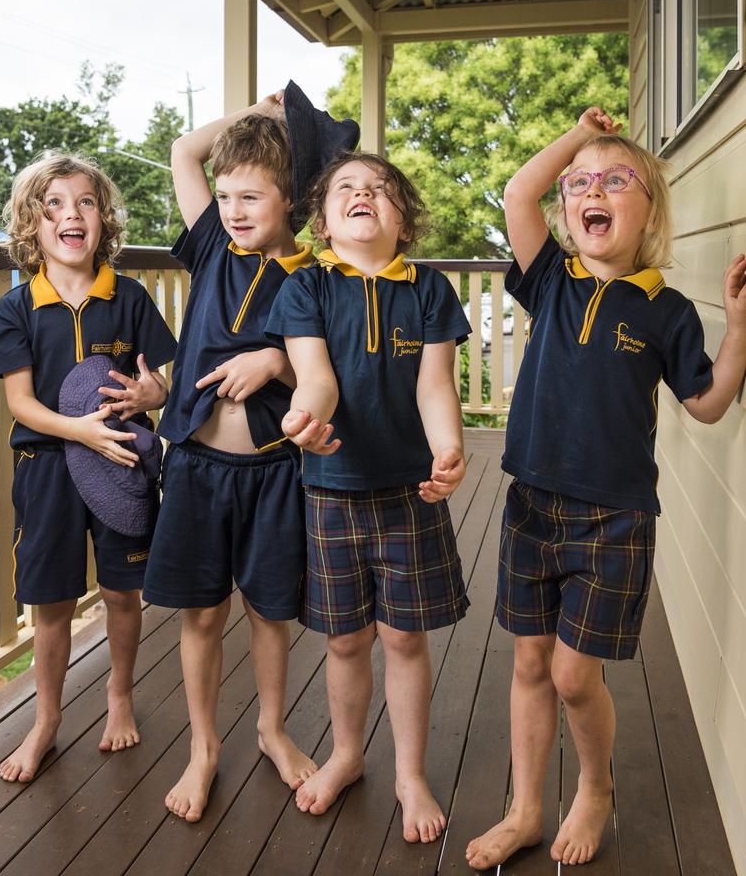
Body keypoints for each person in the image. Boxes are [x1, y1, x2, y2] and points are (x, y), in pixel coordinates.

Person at [466, 107, 746, 869]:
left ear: (649, 206)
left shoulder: (666, 309)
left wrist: (740, 331)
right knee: (529, 666)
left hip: (616, 519)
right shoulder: (551, 281)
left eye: (616, 181)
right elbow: (518, 193)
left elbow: (708, 402)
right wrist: (577, 138)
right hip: (530, 505)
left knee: (571, 675)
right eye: (580, 184)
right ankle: (526, 809)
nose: (593, 191)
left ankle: (594, 787)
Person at [142, 89, 358, 823]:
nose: (233, 209)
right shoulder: (210, 246)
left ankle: (270, 728)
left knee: (270, 614)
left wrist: (273, 361)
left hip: (272, 473)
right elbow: (183, 151)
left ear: (291, 199)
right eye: (226, 195)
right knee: (200, 615)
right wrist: (249, 118)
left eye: (251, 197)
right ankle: (204, 746)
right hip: (198, 468)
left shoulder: (316, 276)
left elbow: (323, 374)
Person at [267, 151, 471, 844]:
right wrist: (306, 418)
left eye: (381, 191)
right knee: (347, 640)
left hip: (411, 490)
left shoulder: (430, 291)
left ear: (404, 221)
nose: (364, 196)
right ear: (323, 223)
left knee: (404, 638)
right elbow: (316, 378)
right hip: (333, 489)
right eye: (346, 190)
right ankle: (348, 754)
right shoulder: (307, 289)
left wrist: (450, 450)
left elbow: (434, 385)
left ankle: (410, 773)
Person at [0, 151, 177, 783]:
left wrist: (154, 397)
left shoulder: (127, 297)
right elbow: (21, 402)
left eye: (86, 203)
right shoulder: (17, 306)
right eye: (55, 207)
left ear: (104, 220)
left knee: (124, 591)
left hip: (121, 464)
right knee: (52, 601)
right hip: (47, 467)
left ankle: (119, 695)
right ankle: (45, 721)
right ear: (32, 225)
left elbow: (164, 383)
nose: (72, 215)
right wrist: (79, 432)